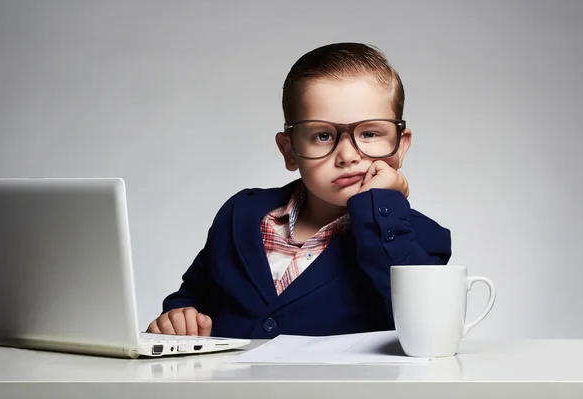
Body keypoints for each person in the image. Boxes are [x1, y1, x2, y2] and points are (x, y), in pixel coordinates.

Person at [147, 42, 452, 339]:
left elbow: (428, 327)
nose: (347, 155)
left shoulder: (419, 237)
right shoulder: (240, 215)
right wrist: (179, 315)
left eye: (370, 133)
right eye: (322, 135)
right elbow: (193, 297)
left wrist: (382, 203)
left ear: (400, 146)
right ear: (289, 151)